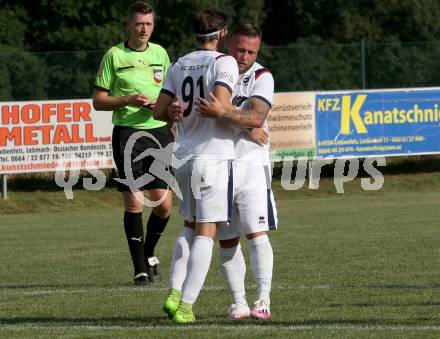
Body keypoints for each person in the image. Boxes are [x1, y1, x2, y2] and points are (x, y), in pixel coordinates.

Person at [154, 10, 266, 324]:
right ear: (223, 33)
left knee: (189, 226)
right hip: (213, 157)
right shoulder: (224, 62)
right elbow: (219, 106)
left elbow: (161, 111)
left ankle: (175, 291)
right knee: (207, 231)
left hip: (184, 156)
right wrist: (247, 125)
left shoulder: (179, 62)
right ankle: (186, 306)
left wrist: (176, 112)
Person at [93, 1, 172, 285]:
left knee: (163, 205)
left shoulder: (161, 53)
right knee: (135, 202)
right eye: (139, 23)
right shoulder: (114, 55)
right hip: (127, 134)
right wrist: (127, 100)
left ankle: (148, 252)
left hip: (159, 132)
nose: (144, 29)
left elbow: (170, 94)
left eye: (149, 24)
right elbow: (98, 101)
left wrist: (166, 109)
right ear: (129, 25)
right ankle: (139, 270)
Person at [204, 24, 278, 320]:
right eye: (240, 49)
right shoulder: (213, 70)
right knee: (227, 237)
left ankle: (263, 300)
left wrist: (222, 114)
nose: (245, 56)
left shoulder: (262, 76)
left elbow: (257, 115)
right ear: (227, 44)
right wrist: (246, 126)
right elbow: (204, 112)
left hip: (251, 165)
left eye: (251, 51)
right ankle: (238, 301)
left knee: (256, 231)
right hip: (217, 161)